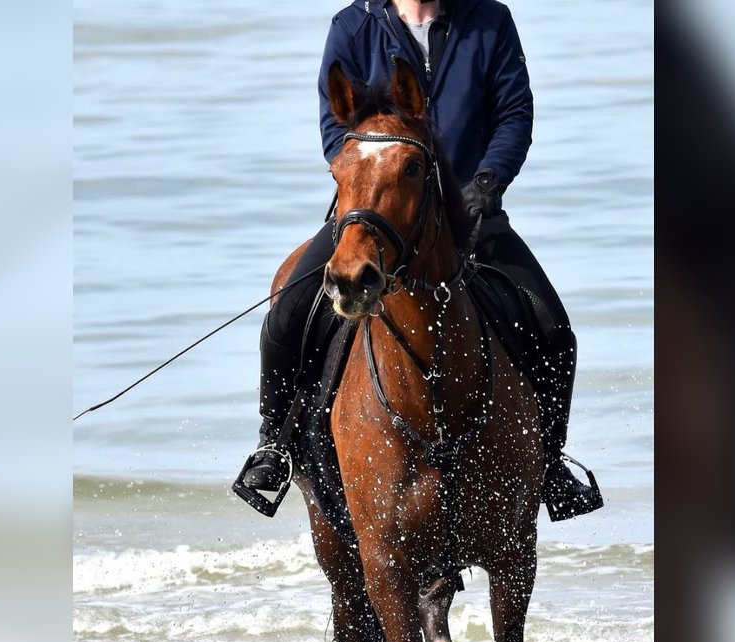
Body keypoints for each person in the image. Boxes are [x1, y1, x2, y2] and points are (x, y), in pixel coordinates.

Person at [236, 0, 601, 522]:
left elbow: (514, 114)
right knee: (288, 313)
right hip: (380, 210)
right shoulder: (352, 26)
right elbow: (334, 130)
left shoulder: (488, 20)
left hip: (470, 211)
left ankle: (550, 462)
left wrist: (485, 185)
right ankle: (274, 445)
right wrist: (373, 184)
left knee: (552, 325)